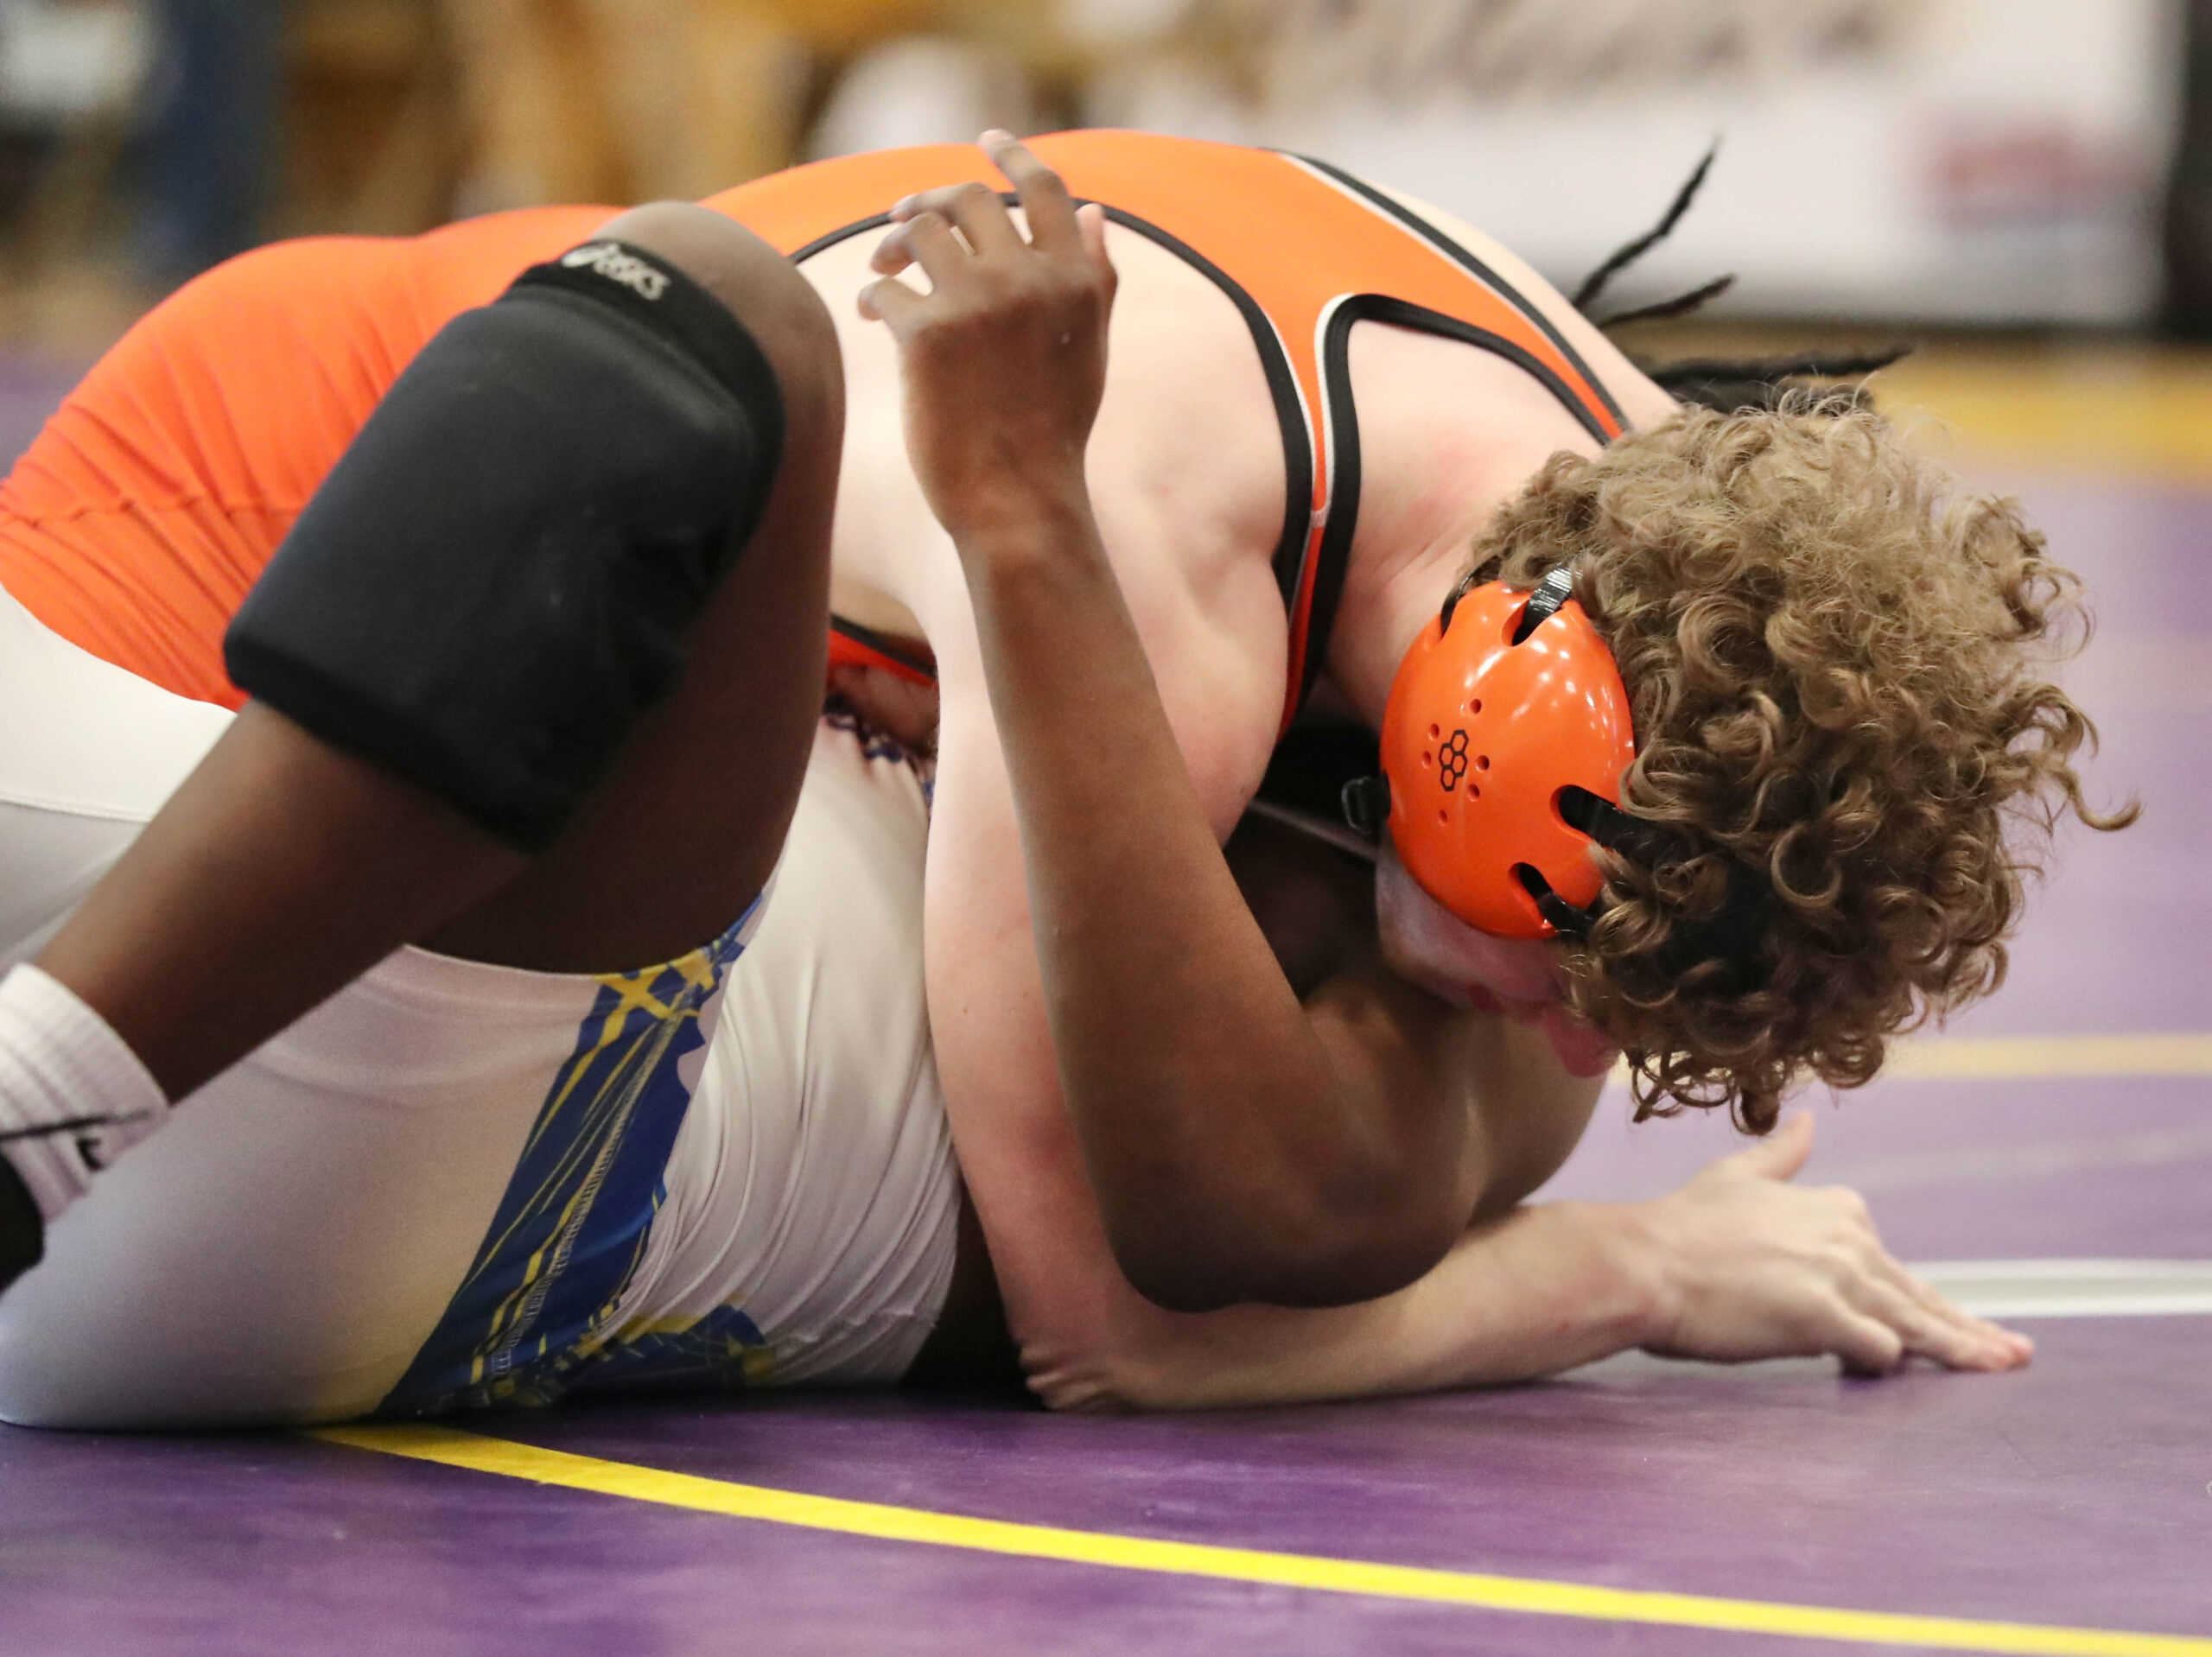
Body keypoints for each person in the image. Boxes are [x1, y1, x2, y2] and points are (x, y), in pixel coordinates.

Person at [0, 131, 2112, 1423]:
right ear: (1487, 743)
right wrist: (1621, 1274)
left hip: (370, 597)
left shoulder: (1627, 496)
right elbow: (1116, 1329)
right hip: (260, 584)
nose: (1572, 1043)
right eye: (1583, 958)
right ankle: (49, 1092)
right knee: (728, 352)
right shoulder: (1143, 561)